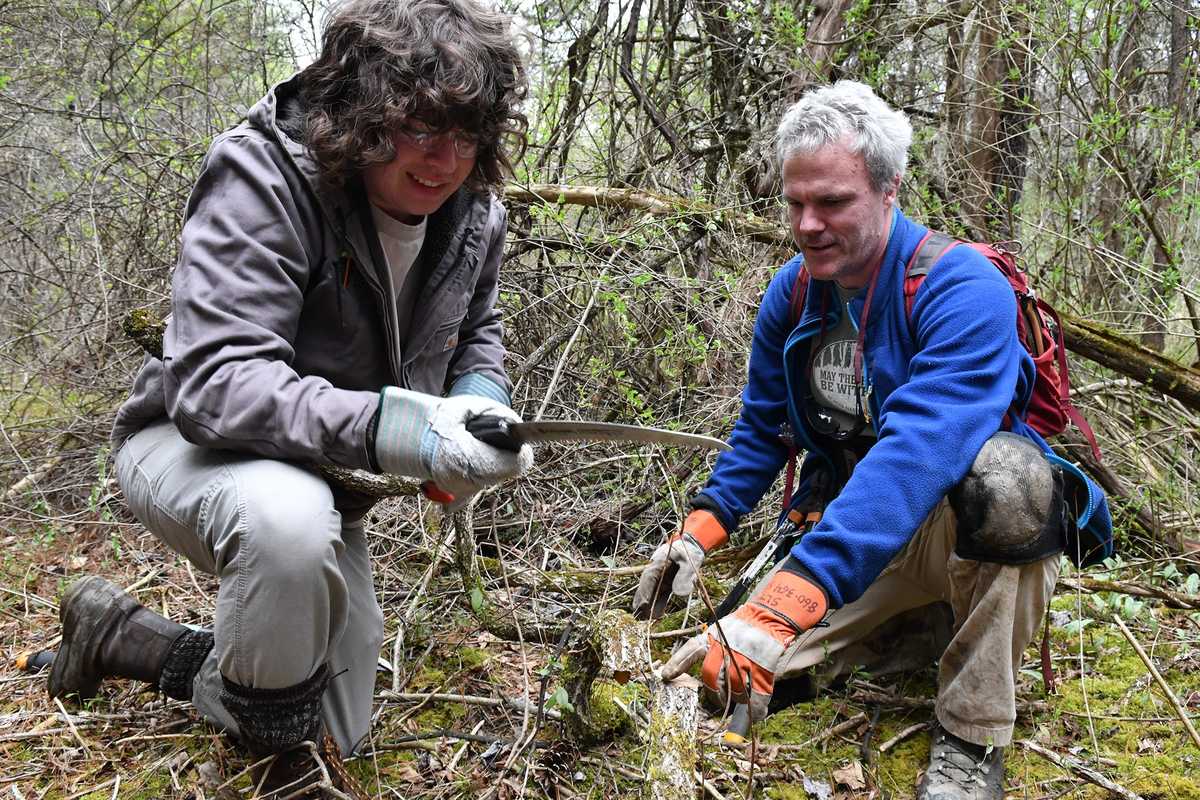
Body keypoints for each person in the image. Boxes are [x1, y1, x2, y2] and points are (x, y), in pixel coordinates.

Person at [47, 0, 532, 793]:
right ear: (364, 111)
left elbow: (478, 327)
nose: (444, 160)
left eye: (468, 133)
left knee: (339, 718)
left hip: (320, 469)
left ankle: (125, 638)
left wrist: (478, 408)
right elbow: (215, 383)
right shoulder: (263, 174)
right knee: (286, 529)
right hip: (189, 445)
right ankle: (284, 771)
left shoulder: (473, 212)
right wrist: (405, 427)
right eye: (420, 128)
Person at [633, 81, 1112, 800]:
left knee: (1010, 478)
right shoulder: (794, 293)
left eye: (831, 203)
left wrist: (789, 599)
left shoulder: (963, 290)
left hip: (955, 536)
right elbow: (765, 429)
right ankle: (905, 635)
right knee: (718, 681)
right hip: (855, 540)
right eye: (796, 203)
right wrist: (699, 531)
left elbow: (919, 449)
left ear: (889, 190)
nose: (808, 224)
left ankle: (972, 738)